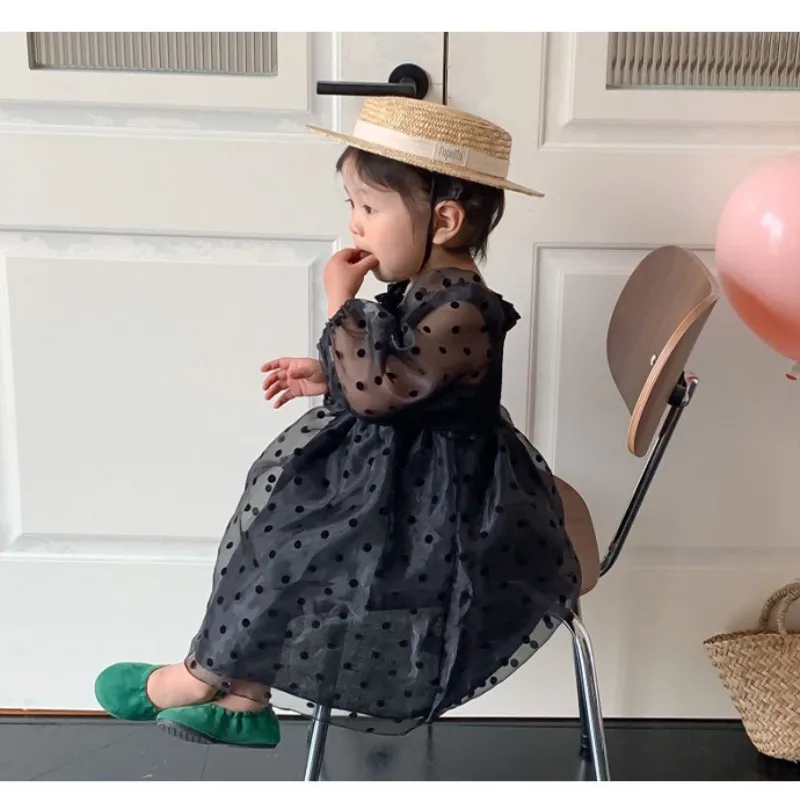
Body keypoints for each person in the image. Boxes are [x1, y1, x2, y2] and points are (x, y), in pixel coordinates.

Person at [94, 96, 582, 748]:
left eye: (369, 208)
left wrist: (338, 303)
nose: (354, 223)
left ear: (443, 220)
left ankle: (201, 676)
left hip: (448, 509)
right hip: (407, 477)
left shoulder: (464, 306)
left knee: (296, 546)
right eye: (352, 204)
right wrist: (330, 376)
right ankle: (241, 695)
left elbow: (382, 393)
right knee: (279, 528)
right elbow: (411, 382)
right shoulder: (430, 289)